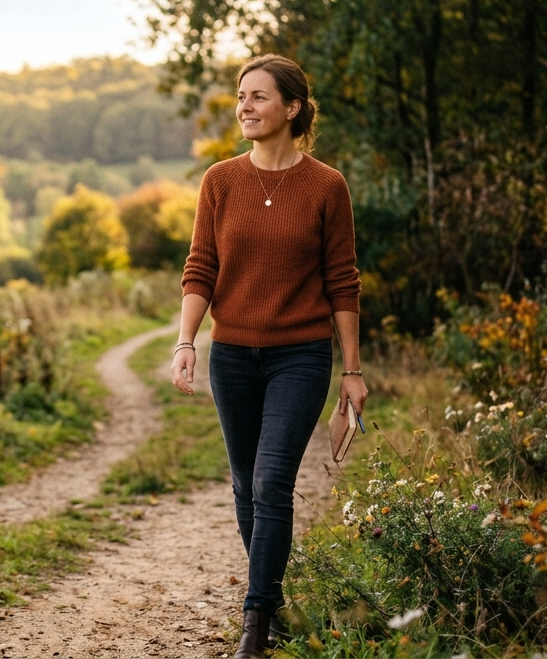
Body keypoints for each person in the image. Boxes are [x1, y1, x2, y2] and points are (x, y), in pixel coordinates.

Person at [171, 54, 367, 657]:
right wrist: (186, 341)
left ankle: (255, 622)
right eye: (241, 96)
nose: (245, 107)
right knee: (244, 484)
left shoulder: (327, 185)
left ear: (292, 108)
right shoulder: (220, 181)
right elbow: (202, 266)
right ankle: (273, 601)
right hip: (233, 356)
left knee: (271, 480)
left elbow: (343, 281)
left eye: (259, 97)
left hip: (300, 357)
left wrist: (352, 371)